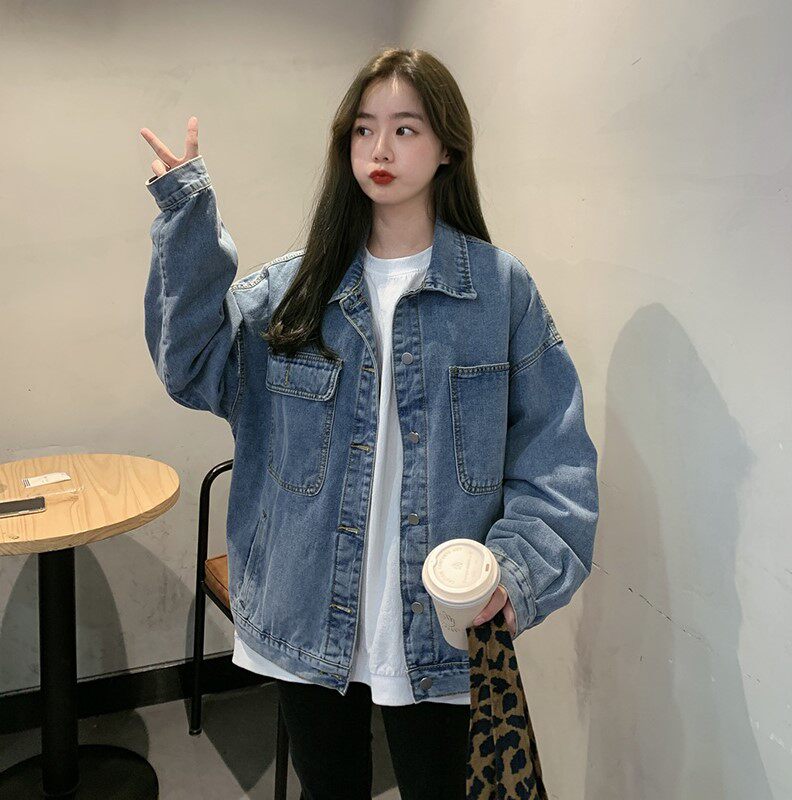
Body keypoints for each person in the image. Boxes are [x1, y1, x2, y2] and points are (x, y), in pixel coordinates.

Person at [140, 47, 599, 800]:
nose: (380, 149)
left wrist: (514, 575)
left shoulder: (498, 292)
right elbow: (193, 367)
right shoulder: (294, 289)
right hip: (304, 615)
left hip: (443, 629)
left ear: (447, 147)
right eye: (364, 129)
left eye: (405, 129)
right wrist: (187, 217)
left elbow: (556, 464)